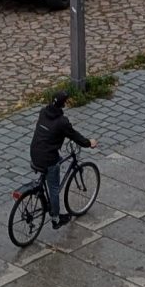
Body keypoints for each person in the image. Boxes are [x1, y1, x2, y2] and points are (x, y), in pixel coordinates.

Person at [30, 91, 95, 228]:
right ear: (63, 104)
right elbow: (74, 135)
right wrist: (89, 143)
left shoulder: (43, 112)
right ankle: (56, 218)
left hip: (35, 153)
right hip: (48, 158)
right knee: (54, 188)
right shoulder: (62, 122)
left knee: (57, 160)